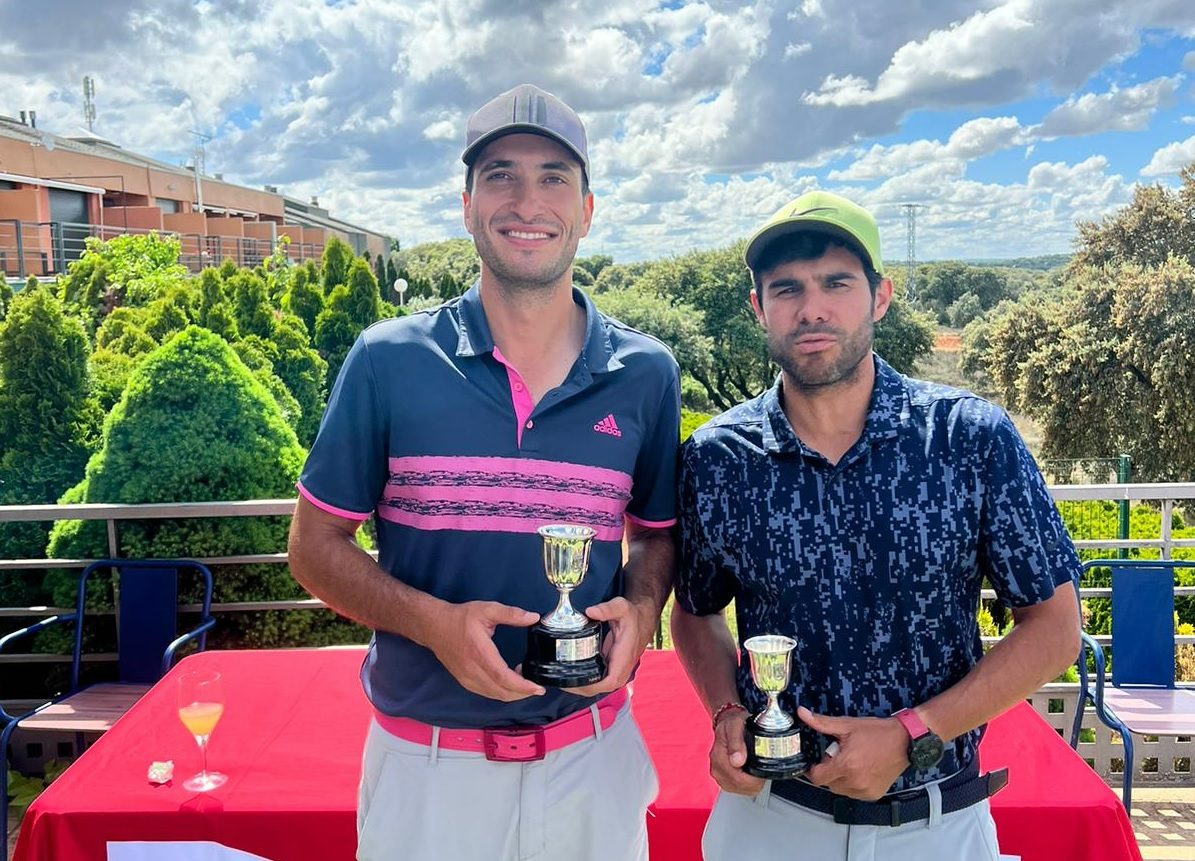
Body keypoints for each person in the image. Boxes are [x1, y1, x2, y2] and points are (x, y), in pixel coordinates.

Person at [288, 84, 680, 861]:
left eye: (552, 177)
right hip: (426, 773)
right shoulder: (387, 360)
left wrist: (641, 609)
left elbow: (656, 537)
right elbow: (313, 547)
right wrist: (431, 623)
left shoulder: (646, 373)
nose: (526, 201)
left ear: (586, 210)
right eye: (500, 175)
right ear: (467, 207)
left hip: (591, 760)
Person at [670, 190, 1081, 860]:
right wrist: (727, 711)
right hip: (769, 818)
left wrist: (913, 732)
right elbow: (695, 611)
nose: (811, 309)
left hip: (936, 825)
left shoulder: (970, 438)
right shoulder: (717, 457)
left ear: (880, 297)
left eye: (836, 283)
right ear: (758, 308)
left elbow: (1055, 628)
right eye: (786, 288)